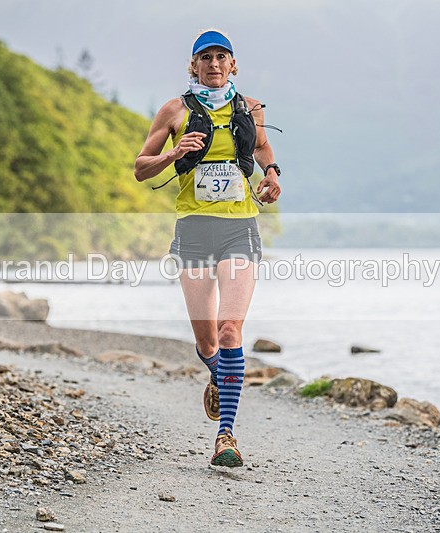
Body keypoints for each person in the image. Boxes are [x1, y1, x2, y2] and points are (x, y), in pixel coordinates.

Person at [134, 29, 282, 467]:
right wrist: (173, 152)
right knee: (206, 339)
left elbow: (262, 146)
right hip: (194, 230)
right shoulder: (175, 109)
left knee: (230, 331)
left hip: (240, 228)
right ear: (193, 65)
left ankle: (226, 436)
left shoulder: (250, 107)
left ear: (233, 64)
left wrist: (271, 174)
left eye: (222, 57)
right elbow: (141, 168)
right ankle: (222, 376)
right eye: (206, 57)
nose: (214, 64)